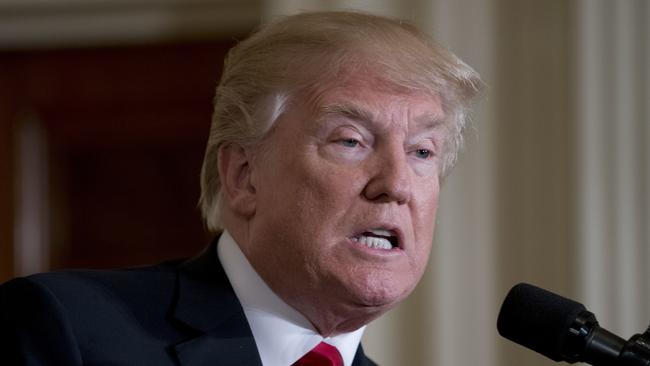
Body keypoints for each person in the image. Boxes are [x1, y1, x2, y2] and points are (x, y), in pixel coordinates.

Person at [0, 11, 482, 366]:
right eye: (351, 141)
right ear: (243, 175)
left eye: (422, 151)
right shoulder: (67, 332)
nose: (396, 184)